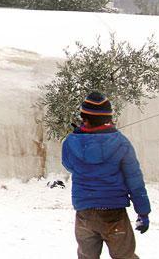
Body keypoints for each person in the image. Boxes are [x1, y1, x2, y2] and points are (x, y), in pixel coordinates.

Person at [62, 92, 151, 259]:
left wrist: (80, 138)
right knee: (125, 256)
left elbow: (69, 165)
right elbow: (134, 180)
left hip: (84, 212)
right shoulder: (121, 142)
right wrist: (143, 212)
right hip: (114, 213)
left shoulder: (70, 142)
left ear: (84, 117)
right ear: (108, 117)